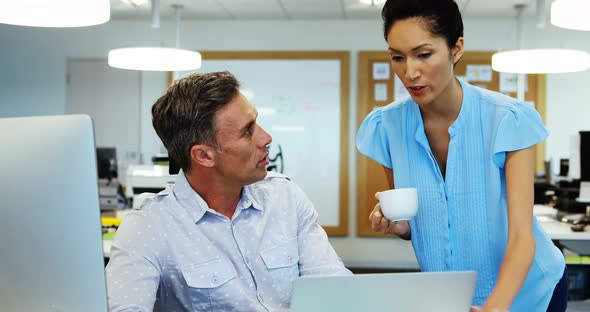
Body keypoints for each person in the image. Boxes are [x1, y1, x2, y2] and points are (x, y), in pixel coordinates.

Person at [356, 1, 567, 311]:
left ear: (456, 49)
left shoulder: (507, 119)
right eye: (397, 57)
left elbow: (522, 235)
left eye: (423, 55)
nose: (409, 72)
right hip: (453, 297)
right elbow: (414, 221)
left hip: (530, 293)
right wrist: (399, 226)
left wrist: (495, 307)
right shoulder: (386, 127)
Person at [106, 71, 351, 312]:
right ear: (204, 155)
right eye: (248, 131)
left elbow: (334, 290)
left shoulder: (285, 197)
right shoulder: (148, 227)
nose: (266, 137)